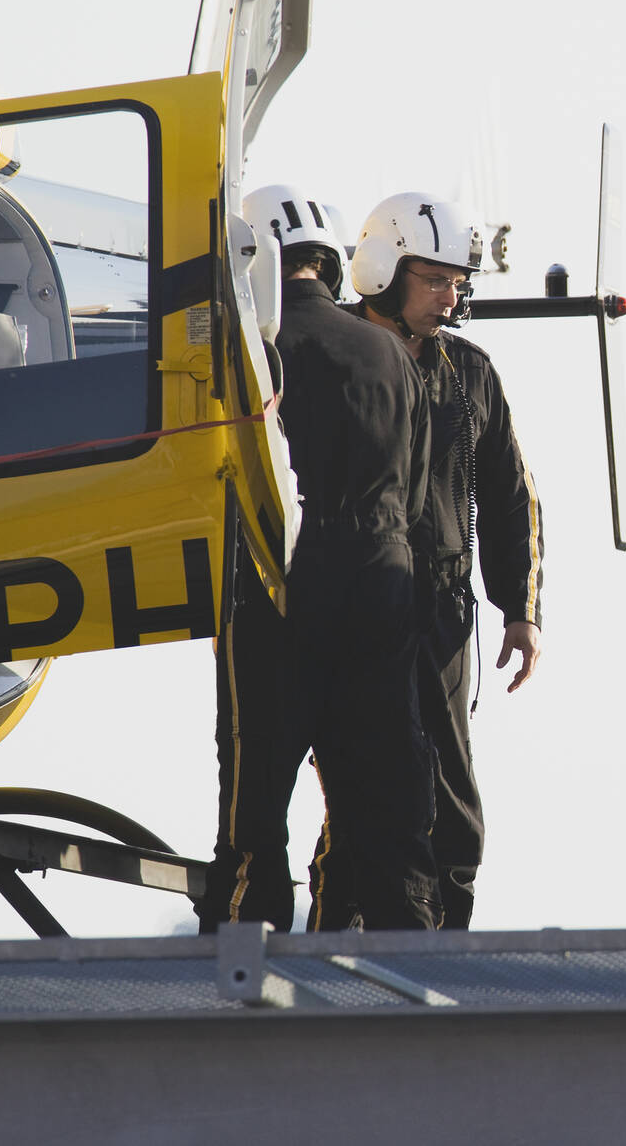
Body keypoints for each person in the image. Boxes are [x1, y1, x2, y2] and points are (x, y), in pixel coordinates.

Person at [196, 184, 439, 933]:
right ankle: (406, 940)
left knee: (257, 784)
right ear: (331, 263)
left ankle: (248, 933)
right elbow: (418, 490)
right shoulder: (392, 355)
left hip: (277, 585)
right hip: (383, 581)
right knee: (385, 784)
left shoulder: (249, 356)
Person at [308, 191, 545, 931]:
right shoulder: (322, 353)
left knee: (452, 812)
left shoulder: (469, 373)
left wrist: (522, 609)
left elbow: (511, 495)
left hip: (440, 614)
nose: (451, 295)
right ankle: (337, 954)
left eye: (457, 281)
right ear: (386, 269)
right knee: (366, 798)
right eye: (435, 278)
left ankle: (444, 961)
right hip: (345, 607)